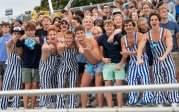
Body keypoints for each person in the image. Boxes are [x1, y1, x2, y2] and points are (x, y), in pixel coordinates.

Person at [137, 13, 179, 106]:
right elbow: (140, 48)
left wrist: (163, 56)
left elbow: (170, 45)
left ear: (159, 21)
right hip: (156, 62)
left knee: (171, 80)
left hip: (167, 59)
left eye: (156, 19)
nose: (154, 21)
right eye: (152, 20)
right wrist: (139, 58)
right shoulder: (147, 35)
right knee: (158, 82)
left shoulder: (166, 31)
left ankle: (174, 100)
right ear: (150, 22)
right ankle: (160, 101)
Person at [121, 19, 154, 106]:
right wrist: (123, 58)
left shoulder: (140, 35)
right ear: (124, 28)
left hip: (142, 59)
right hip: (132, 61)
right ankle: (132, 100)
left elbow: (142, 51)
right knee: (131, 80)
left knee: (145, 79)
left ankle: (148, 99)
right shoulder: (122, 39)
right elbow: (124, 53)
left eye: (129, 25)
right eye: (126, 26)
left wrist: (127, 52)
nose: (128, 27)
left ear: (133, 26)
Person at [98, 19, 125, 107]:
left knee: (119, 85)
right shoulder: (101, 38)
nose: (109, 27)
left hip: (118, 63)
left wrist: (121, 64)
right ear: (104, 27)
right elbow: (101, 52)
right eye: (107, 26)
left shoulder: (119, 36)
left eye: (110, 26)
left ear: (113, 27)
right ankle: (110, 107)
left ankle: (120, 107)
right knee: (107, 85)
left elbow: (124, 52)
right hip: (108, 63)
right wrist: (103, 59)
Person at [74, 25, 101, 108]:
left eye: (81, 33)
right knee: (83, 86)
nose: (80, 35)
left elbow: (98, 58)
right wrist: (79, 45)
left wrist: (90, 50)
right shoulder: (77, 41)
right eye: (78, 33)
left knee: (98, 85)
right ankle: (84, 108)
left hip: (99, 64)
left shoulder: (92, 41)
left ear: (84, 33)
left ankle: (100, 107)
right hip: (89, 65)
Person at [16, 23, 41, 109]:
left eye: (32, 30)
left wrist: (39, 42)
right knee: (27, 88)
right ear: (26, 31)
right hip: (26, 67)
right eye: (28, 30)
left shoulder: (38, 39)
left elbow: (41, 49)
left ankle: (32, 107)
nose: (30, 32)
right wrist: (21, 38)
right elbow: (17, 45)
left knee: (34, 88)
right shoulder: (23, 39)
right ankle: (26, 108)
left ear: (35, 31)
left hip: (36, 67)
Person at [0, 27, 24, 110]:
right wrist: (13, 40)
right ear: (12, 34)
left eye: (18, 34)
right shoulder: (9, 42)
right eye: (15, 33)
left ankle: (15, 106)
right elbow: (8, 44)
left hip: (19, 66)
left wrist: (19, 41)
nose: (16, 35)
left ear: (20, 35)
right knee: (6, 85)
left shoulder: (22, 43)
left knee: (17, 86)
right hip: (10, 65)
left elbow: (20, 54)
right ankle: (2, 105)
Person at [56, 30, 79, 109]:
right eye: (67, 38)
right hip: (62, 66)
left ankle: (72, 105)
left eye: (70, 38)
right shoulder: (61, 44)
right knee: (60, 85)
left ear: (73, 38)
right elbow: (59, 48)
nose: (69, 39)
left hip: (73, 67)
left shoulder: (76, 45)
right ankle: (60, 106)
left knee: (72, 86)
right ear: (64, 38)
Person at [39, 25, 58, 108]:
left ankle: (53, 104)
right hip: (45, 69)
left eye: (54, 34)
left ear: (57, 35)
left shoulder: (59, 43)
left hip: (55, 68)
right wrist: (48, 50)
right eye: (50, 35)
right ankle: (43, 105)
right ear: (47, 36)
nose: (52, 36)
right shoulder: (45, 45)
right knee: (44, 86)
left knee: (54, 85)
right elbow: (44, 58)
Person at [0, 22, 11, 90]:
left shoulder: (11, 37)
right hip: (0, 60)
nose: (5, 28)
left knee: (8, 78)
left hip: (8, 60)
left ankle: (8, 95)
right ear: (1, 28)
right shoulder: (0, 38)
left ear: (9, 28)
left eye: (7, 27)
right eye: (3, 27)